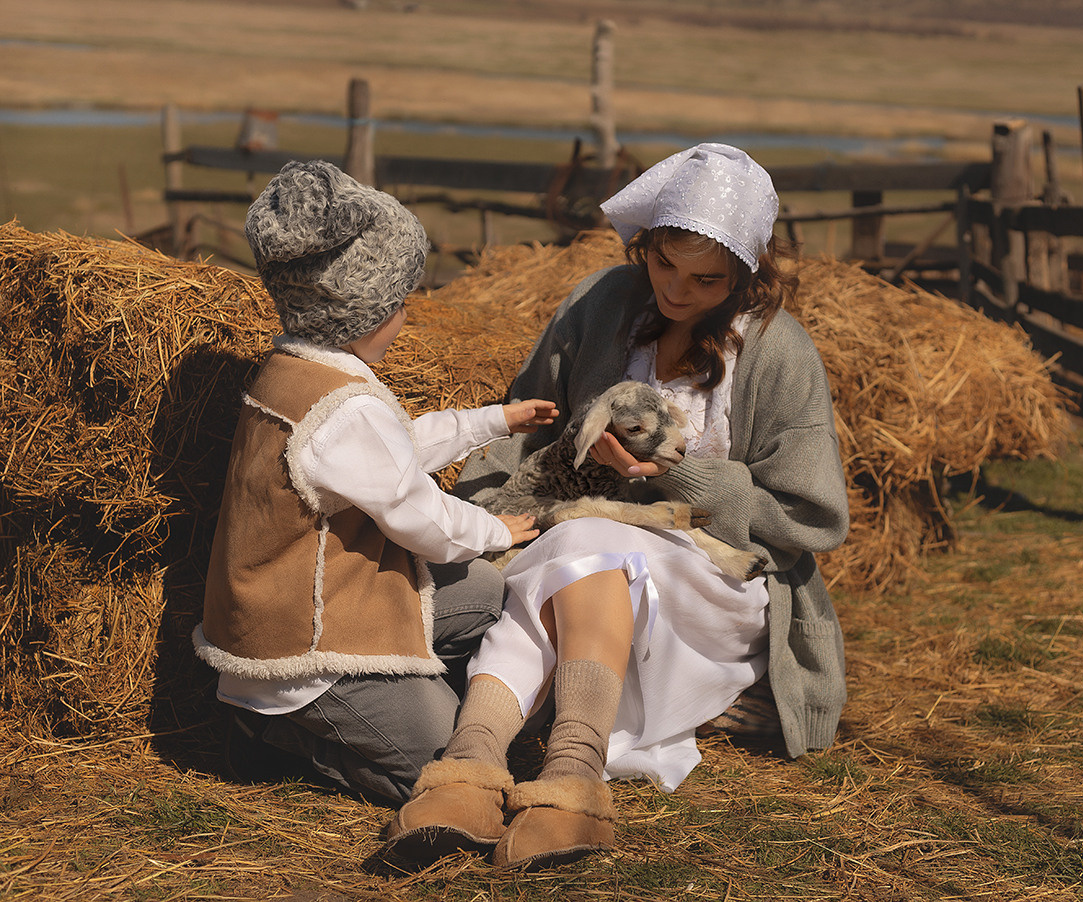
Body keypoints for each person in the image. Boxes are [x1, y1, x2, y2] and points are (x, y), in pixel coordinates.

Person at [384, 143, 850, 870]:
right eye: (663, 264)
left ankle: (549, 768)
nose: (676, 289)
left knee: (582, 545)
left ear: (746, 272)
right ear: (646, 243)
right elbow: (531, 414)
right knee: (570, 555)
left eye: (705, 278)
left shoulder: (778, 351)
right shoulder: (602, 302)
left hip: (716, 580)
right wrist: (476, 513)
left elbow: (813, 516)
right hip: (584, 558)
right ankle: (483, 776)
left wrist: (680, 474)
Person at [193, 160, 557, 805]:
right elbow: (414, 512)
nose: (405, 317)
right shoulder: (347, 405)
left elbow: (385, 456)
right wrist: (492, 528)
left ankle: (394, 699)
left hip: (295, 603)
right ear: (365, 312)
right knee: (451, 769)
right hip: (302, 649)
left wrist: (491, 422)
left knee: (488, 594)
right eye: (398, 304)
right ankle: (284, 734)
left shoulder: (296, 368)